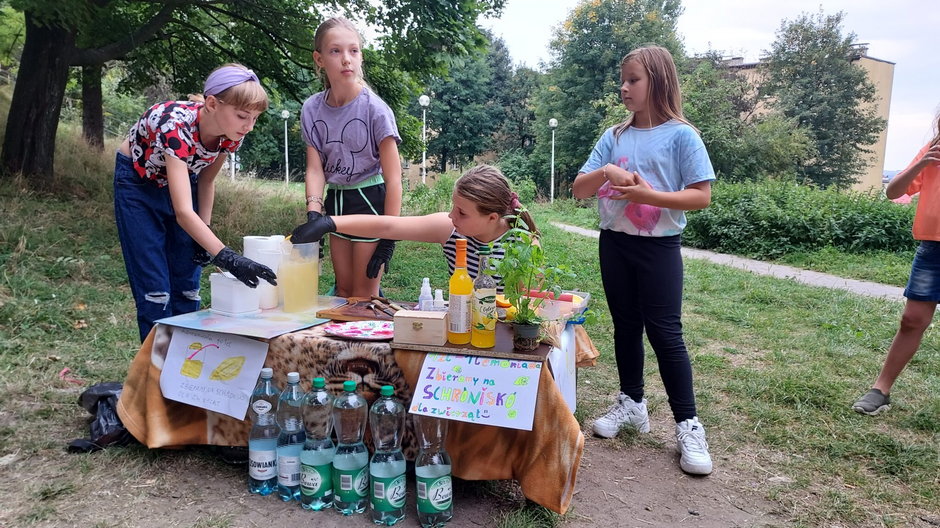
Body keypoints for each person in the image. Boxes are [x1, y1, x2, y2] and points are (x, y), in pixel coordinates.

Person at [572, 46, 715, 476]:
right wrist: (608, 172)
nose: (624, 87)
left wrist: (645, 194)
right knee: (625, 326)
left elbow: (701, 195)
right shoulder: (613, 137)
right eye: (623, 79)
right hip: (615, 243)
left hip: (659, 249)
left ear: (658, 80)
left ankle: (688, 425)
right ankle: (632, 402)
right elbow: (580, 188)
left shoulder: (681, 135)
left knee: (666, 333)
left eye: (633, 79)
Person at [114, 63, 277, 342]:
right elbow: (182, 212)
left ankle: (185, 367)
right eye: (242, 116)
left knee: (188, 285)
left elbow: (206, 181)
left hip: (183, 180)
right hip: (138, 184)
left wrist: (205, 234)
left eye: (255, 119)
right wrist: (226, 257)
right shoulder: (174, 125)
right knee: (156, 291)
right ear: (212, 104)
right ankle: (156, 374)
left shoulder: (230, 135)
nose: (249, 127)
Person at [291, 165, 537, 292]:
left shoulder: (523, 245)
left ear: (492, 218)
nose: (452, 215)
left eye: (462, 212)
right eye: (453, 206)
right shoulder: (450, 229)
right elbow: (389, 226)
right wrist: (328, 223)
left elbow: (528, 306)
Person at [293, 16, 403, 298]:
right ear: (319, 59)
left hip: (370, 199)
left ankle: (369, 342)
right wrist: (314, 214)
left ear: (361, 57)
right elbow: (315, 169)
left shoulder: (375, 109)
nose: (346, 59)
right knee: (342, 291)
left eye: (353, 51)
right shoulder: (311, 108)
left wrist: (389, 237)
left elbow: (394, 179)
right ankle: (341, 344)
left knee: (363, 294)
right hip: (337, 200)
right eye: (335, 51)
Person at [852, 128, 940, 416]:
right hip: (933, 248)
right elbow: (893, 192)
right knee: (912, 319)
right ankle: (881, 389)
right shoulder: (935, 146)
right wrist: (923, 162)